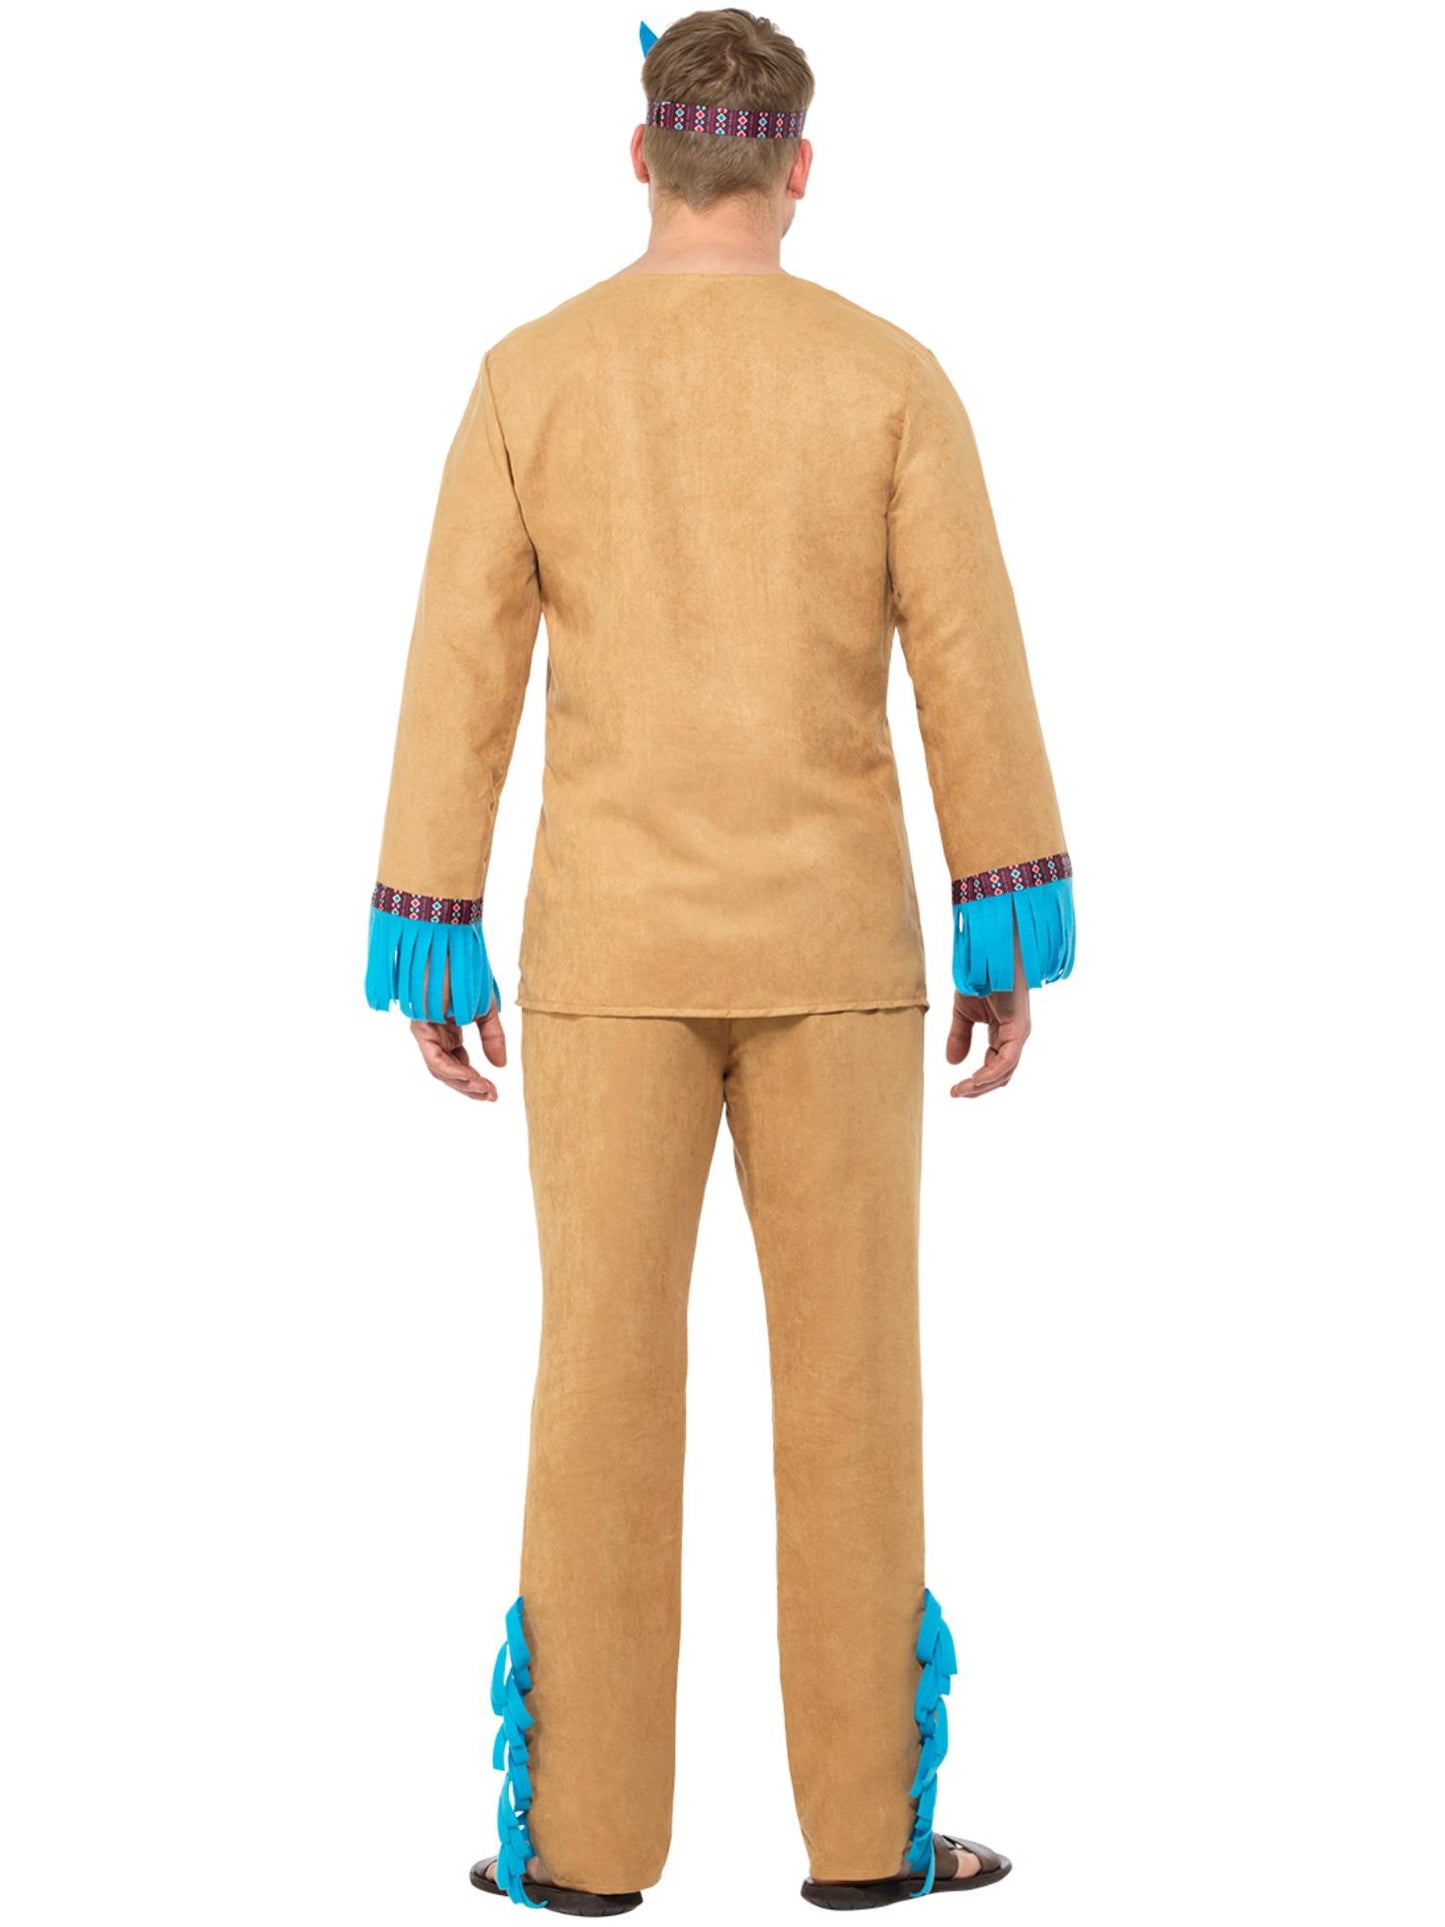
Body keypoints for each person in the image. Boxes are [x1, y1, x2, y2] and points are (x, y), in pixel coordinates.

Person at [365, 10, 1074, 1913]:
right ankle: (864, 1845)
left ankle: (583, 1854)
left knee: (596, 1393)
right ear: (798, 167)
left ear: (640, 156)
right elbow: (969, 660)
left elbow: (457, 674)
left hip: (604, 957)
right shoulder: (887, 376)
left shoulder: (530, 376)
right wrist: (1002, 913)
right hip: (839, 952)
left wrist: (433, 927)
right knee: (853, 1398)